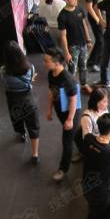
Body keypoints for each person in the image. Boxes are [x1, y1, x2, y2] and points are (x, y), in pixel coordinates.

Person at [45, 47, 82, 182]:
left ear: (57, 63)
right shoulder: (51, 74)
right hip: (60, 110)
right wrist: (49, 109)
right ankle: (84, 151)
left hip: (71, 113)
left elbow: (73, 100)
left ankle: (63, 169)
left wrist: (70, 119)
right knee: (75, 133)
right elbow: (51, 91)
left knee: (67, 141)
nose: (44, 63)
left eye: (47, 61)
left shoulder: (68, 79)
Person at [1, 41, 40, 163]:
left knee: (17, 119)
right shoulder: (30, 68)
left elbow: (6, 84)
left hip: (13, 100)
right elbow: (30, 81)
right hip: (28, 101)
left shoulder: (3, 71)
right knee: (33, 126)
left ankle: (22, 134)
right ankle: (35, 154)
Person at [57, 0, 92, 92]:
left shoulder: (80, 9)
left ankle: (83, 84)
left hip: (83, 44)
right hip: (72, 47)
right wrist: (66, 53)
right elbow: (63, 36)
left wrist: (88, 40)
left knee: (83, 66)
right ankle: (70, 89)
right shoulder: (62, 16)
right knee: (72, 69)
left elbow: (84, 25)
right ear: (66, 0)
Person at [83, 0, 104, 73]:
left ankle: (96, 60)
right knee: (100, 40)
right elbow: (89, 6)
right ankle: (94, 62)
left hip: (101, 14)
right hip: (94, 17)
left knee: (102, 39)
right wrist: (97, 19)